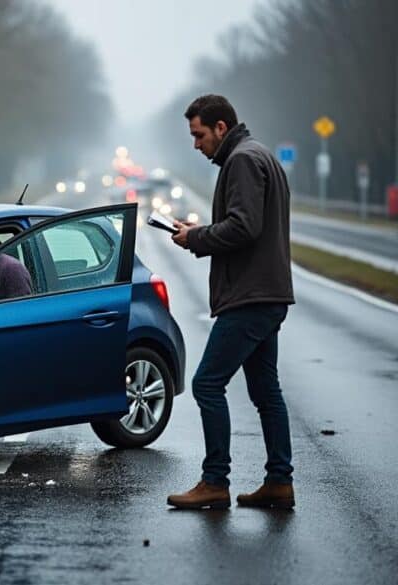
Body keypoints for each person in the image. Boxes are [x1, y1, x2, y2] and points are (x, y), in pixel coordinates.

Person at [166, 95, 296, 510]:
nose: (195, 144)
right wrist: (202, 231)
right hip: (265, 292)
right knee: (265, 389)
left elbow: (244, 227)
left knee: (207, 383)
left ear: (221, 128)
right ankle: (279, 481)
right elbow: (247, 223)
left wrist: (196, 238)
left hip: (250, 296)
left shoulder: (241, 160)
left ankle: (215, 481)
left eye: (199, 134)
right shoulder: (260, 155)